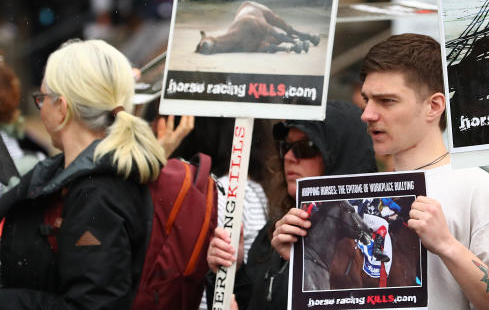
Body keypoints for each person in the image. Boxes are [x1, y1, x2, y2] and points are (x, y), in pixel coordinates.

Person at [284, 33, 489, 310]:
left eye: (387, 101)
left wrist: (446, 245)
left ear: (434, 106)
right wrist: (300, 257)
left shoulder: (480, 188)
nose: (367, 114)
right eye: (367, 99)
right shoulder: (357, 190)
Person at [0, 39, 166, 307]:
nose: (40, 107)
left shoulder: (98, 193)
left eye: (41, 98)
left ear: (62, 109)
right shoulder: (87, 175)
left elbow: (92, 304)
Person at [206, 102, 376, 310]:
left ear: (339, 155)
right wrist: (231, 271)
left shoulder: (368, 239)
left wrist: (305, 269)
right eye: (285, 147)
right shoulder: (274, 232)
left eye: (306, 148)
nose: (288, 157)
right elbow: (250, 302)